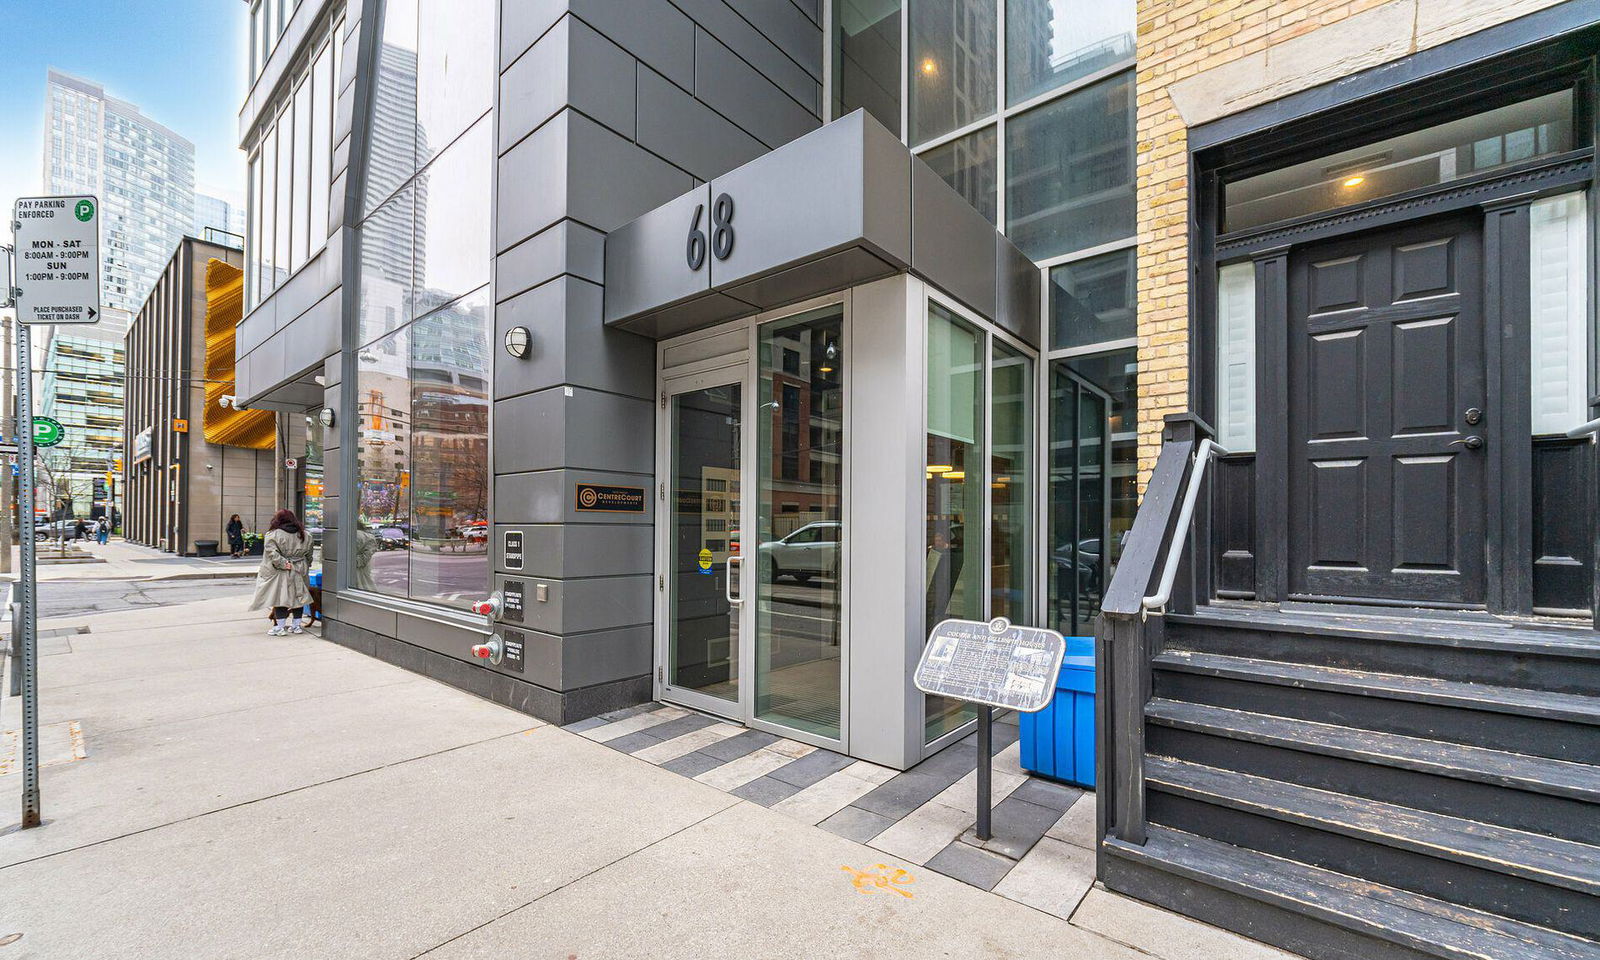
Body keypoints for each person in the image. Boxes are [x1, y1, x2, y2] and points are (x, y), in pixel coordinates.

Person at [250, 508, 313, 636]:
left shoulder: (273, 535)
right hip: (300, 569)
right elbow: (309, 554)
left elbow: (272, 554)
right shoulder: (305, 534)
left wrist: (284, 564)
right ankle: (296, 626)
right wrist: (305, 565)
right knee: (299, 596)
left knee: (280, 597)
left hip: (282, 570)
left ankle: (280, 627)